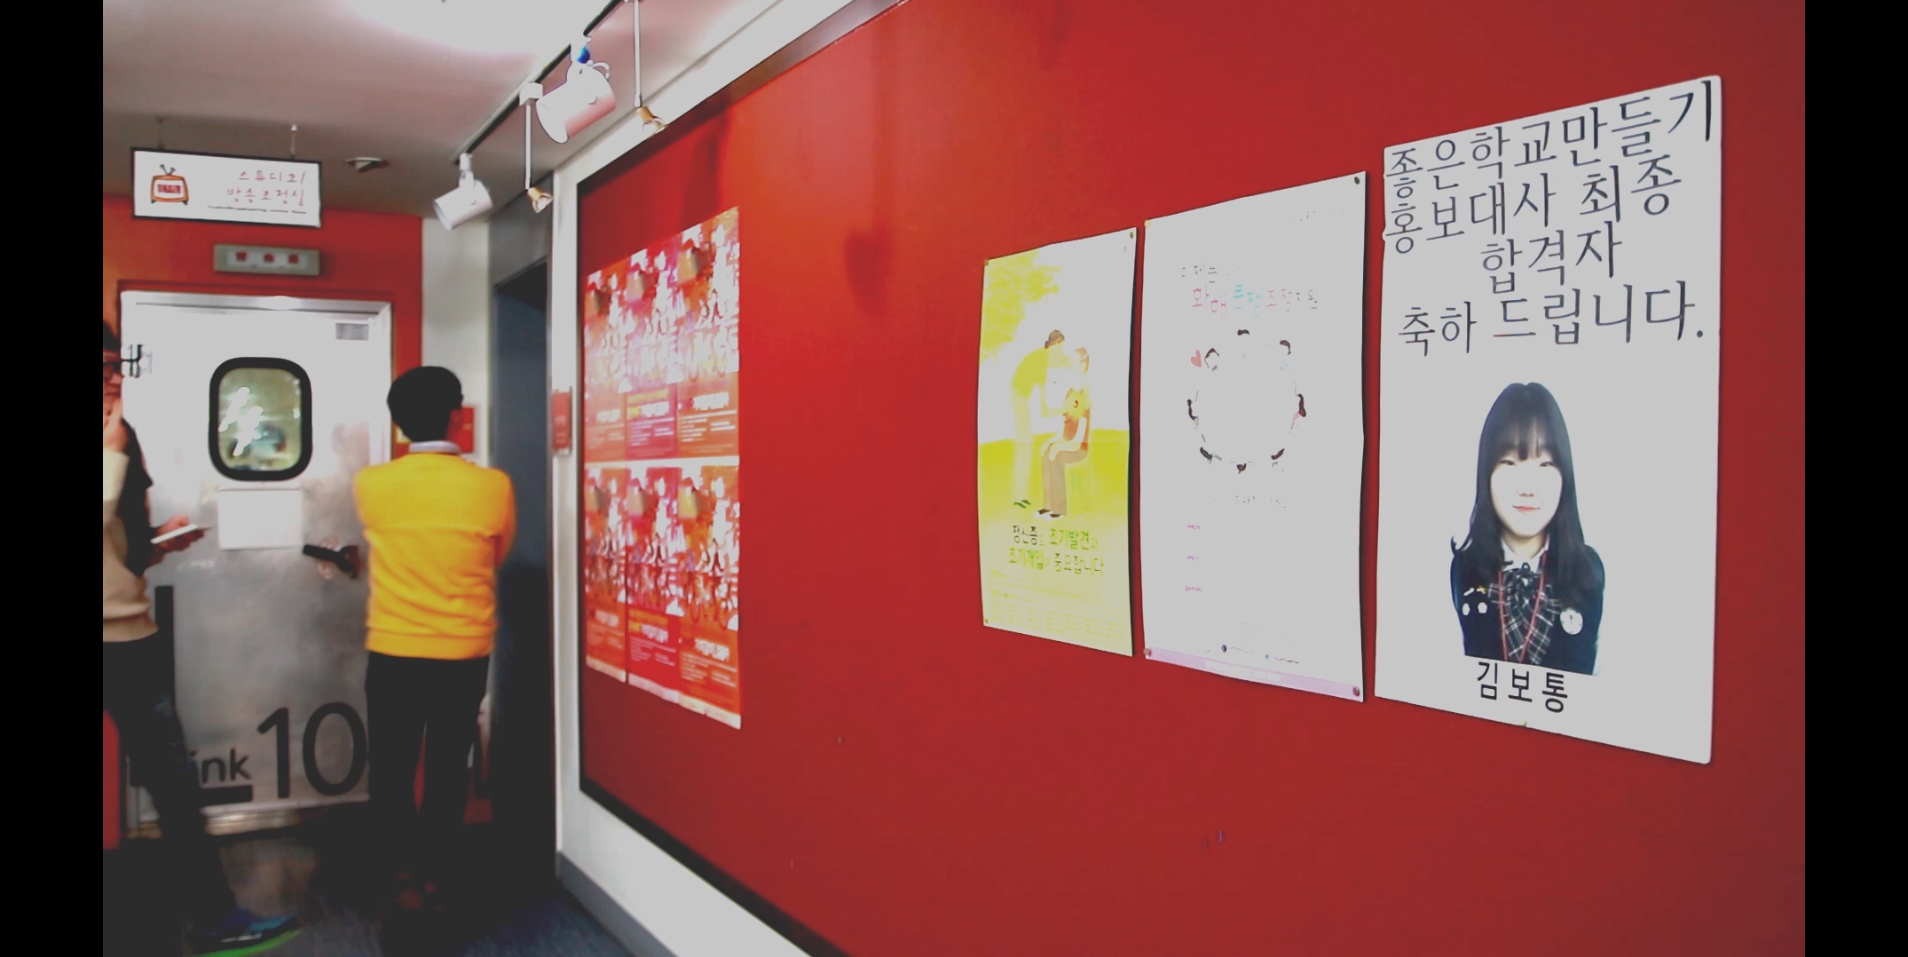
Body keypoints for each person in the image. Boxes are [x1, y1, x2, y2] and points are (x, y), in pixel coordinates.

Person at [101, 321, 302, 955]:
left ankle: (216, 918)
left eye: (117, 365)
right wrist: (112, 455)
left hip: (128, 635)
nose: (115, 378)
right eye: (103, 368)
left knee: (174, 783)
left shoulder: (121, 436)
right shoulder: (114, 443)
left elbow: (121, 545)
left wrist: (159, 543)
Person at [354, 367, 516, 912]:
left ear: (398, 423)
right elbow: (496, 556)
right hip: (462, 651)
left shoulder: (371, 484)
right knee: (449, 767)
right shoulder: (492, 486)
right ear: (456, 416)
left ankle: (399, 875)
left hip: (394, 649)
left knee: (392, 768)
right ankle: (435, 874)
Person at [1449, 382, 1604, 675]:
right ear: (1486, 473)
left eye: (1545, 464)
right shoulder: (1461, 570)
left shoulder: (1592, 574)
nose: (1527, 488)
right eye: (1510, 462)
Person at [1010, 330, 1071, 508]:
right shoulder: (1041, 364)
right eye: (1056, 351)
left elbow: (1058, 362)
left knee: (1025, 446)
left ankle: (1020, 495)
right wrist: (1063, 410)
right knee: (1024, 446)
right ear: (1049, 347)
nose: (1058, 356)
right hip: (1019, 397)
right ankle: (1018, 495)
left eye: (1060, 352)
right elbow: (1044, 411)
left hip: (1021, 396)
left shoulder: (1043, 358)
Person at [1038, 348, 1093, 519]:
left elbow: (1079, 437)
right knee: (1046, 452)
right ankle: (1048, 505)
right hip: (1067, 442)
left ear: (1082, 365)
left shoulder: (1084, 393)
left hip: (1079, 447)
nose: (1069, 365)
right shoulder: (1070, 392)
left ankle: (1060, 510)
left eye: (1073, 362)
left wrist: (1062, 446)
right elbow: (1065, 427)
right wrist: (1052, 442)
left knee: (1057, 456)